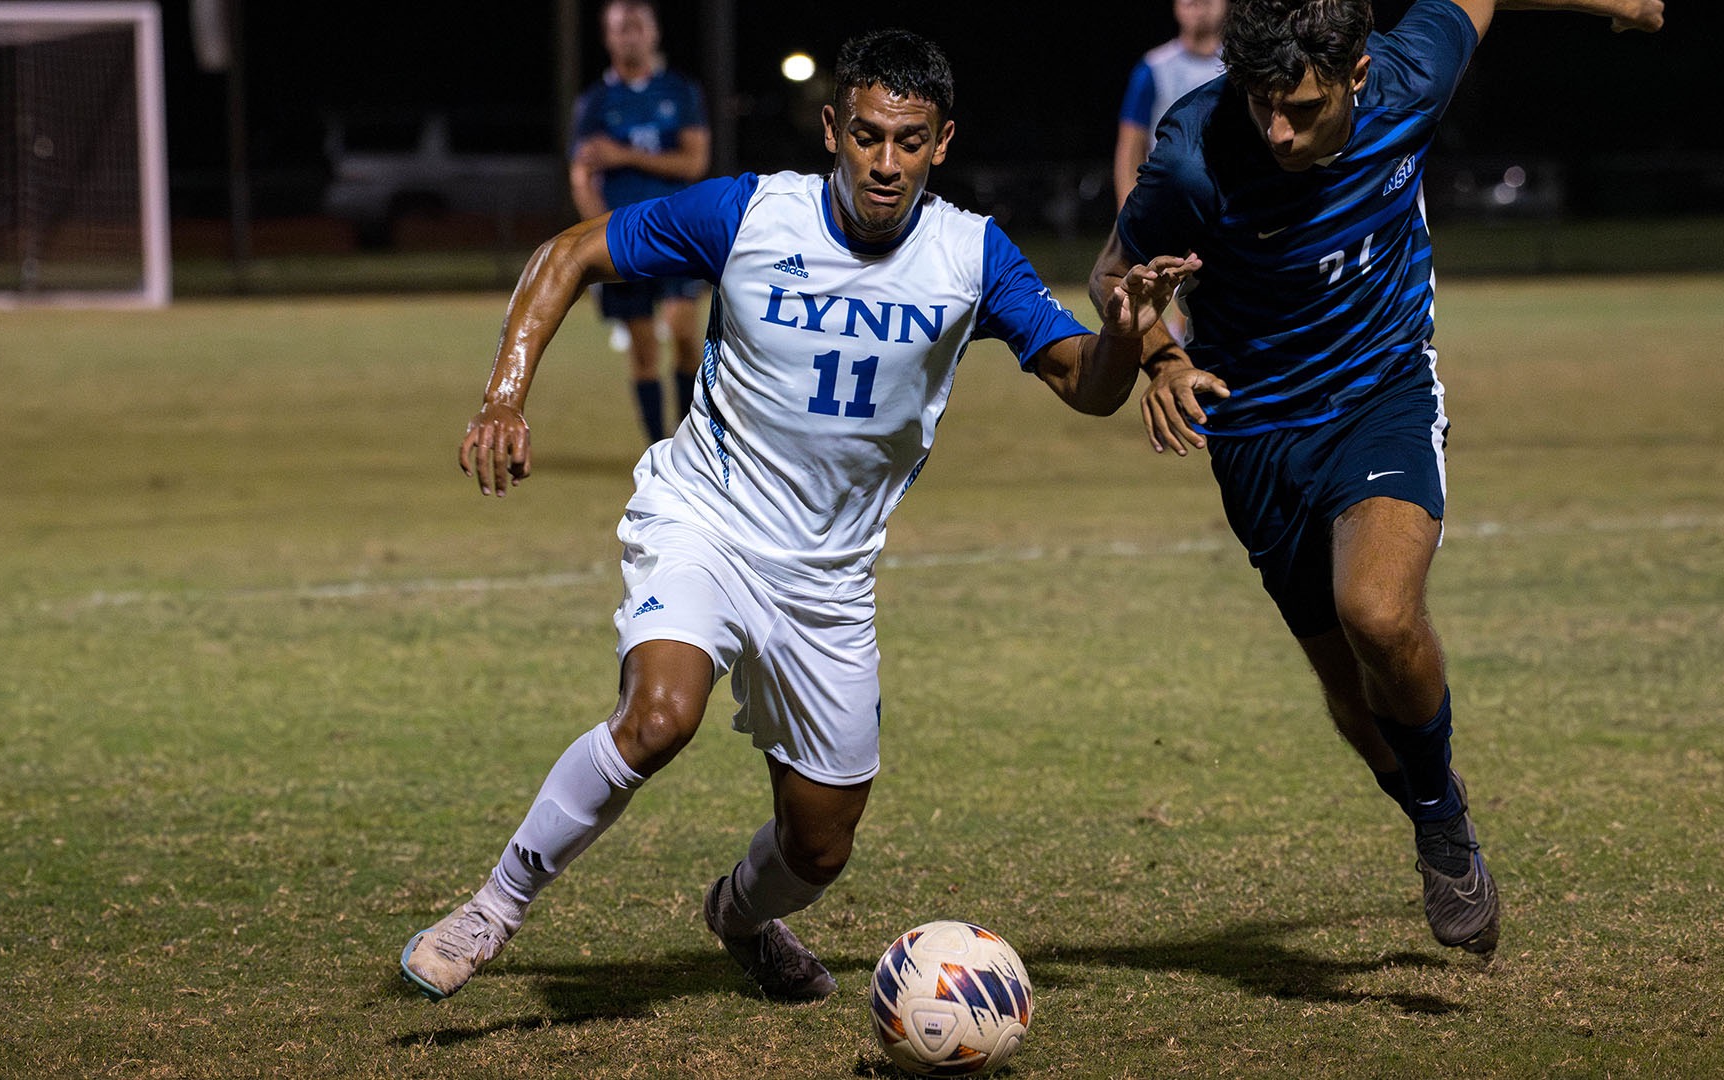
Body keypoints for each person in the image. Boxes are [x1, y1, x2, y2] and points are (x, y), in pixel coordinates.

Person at [400, 28, 1191, 1004]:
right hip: (706, 519)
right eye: (867, 136)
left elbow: (1083, 383)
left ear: (943, 143)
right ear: (833, 130)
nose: (886, 163)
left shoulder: (971, 254)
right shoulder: (750, 214)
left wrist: (1129, 337)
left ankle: (738, 917)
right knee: (659, 716)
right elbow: (570, 253)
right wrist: (504, 393)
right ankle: (493, 906)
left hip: (827, 578)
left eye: (910, 140)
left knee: (820, 845)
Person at [1092, 0, 1664, 958]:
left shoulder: (1411, 76)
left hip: (1382, 390)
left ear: (1358, 76)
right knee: (1358, 709)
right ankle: (1432, 804)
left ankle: (1443, 827)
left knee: (1381, 614)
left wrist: (1615, 6)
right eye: (1262, 103)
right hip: (1256, 430)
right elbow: (1116, 273)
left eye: (1302, 108)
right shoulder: (1196, 153)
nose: (1276, 130)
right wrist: (1157, 355)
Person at [569, 0, 711, 444]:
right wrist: (601, 230)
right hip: (625, 242)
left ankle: (691, 444)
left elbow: (693, 163)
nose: (629, 35)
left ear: (654, 33)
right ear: (608, 37)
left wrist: (625, 155)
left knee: (686, 336)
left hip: (677, 237)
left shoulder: (680, 91)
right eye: (619, 28)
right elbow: (582, 173)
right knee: (643, 350)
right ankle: (659, 448)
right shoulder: (595, 103)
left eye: (636, 26)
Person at [1113, 0, 1228, 209]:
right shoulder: (1153, 68)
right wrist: (1127, 215)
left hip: (1227, 207)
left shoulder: (1241, 67)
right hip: (1168, 207)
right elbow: (1130, 148)